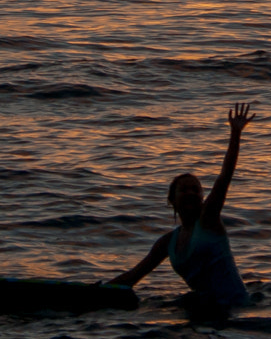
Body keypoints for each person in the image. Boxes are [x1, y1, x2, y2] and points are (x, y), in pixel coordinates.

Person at [109, 103, 256, 312]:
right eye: (184, 190)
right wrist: (99, 291)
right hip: (204, 308)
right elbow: (134, 276)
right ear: (172, 200)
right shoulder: (168, 242)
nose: (190, 193)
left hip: (233, 308)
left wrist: (235, 133)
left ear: (202, 198)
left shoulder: (209, 221)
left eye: (195, 190)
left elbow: (225, 177)